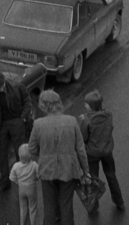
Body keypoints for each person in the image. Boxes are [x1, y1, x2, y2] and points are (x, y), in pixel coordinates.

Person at [27, 89, 89, 225]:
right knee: (66, 206)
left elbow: (31, 149)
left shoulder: (38, 124)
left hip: (47, 171)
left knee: (49, 207)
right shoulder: (72, 121)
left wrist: (44, 154)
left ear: (44, 105)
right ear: (59, 103)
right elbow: (80, 150)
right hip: (68, 169)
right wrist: (86, 171)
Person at [79, 91, 126, 211]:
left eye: (86, 104)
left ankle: (94, 206)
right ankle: (119, 201)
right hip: (107, 151)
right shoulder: (109, 115)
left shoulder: (86, 120)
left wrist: (84, 119)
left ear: (91, 106)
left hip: (92, 153)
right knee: (111, 175)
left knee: (93, 179)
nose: (84, 105)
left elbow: (83, 137)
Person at [0, 71, 34, 194]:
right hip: (2, 124)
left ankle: (23, 181)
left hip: (16, 121)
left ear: (4, 82)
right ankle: (5, 182)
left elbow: (27, 102)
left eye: (0, 87)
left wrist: (22, 117)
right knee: (1, 153)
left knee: (20, 152)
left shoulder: (17, 86)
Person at [10, 144, 40, 225]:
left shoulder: (16, 166)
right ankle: (33, 223)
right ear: (31, 155)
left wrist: (18, 182)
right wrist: (36, 179)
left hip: (21, 189)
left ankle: (22, 223)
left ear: (19, 155)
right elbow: (38, 175)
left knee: (22, 208)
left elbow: (12, 177)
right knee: (33, 207)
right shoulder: (34, 165)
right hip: (32, 188)